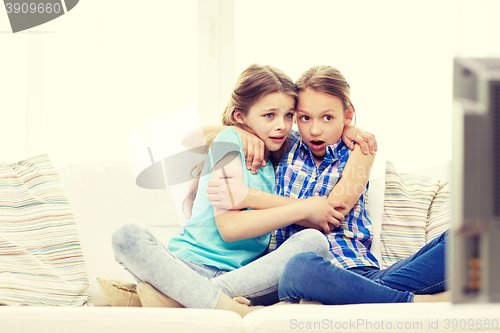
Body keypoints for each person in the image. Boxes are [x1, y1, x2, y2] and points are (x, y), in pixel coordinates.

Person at [111, 64, 347, 317]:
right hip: (189, 268)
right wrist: (303, 207)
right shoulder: (230, 142)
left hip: (246, 278)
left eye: (289, 115)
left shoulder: (281, 153)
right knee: (127, 236)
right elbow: (229, 228)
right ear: (240, 116)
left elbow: (321, 132)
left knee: (314, 242)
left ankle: (189, 299)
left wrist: (350, 130)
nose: (282, 125)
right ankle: (232, 309)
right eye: (269, 115)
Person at [207, 65, 449, 305]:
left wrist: (249, 197)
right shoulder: (286, 144)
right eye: (304, 118)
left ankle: (369, 295)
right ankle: (415, 303)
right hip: (303, 273)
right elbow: (191, 138)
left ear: (348, 114)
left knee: (462, 239)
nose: (315, 129)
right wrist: (241, 131)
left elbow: (330, 212)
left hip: (358, 271)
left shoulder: (359, 151)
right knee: (301, 266)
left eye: (328, 117)